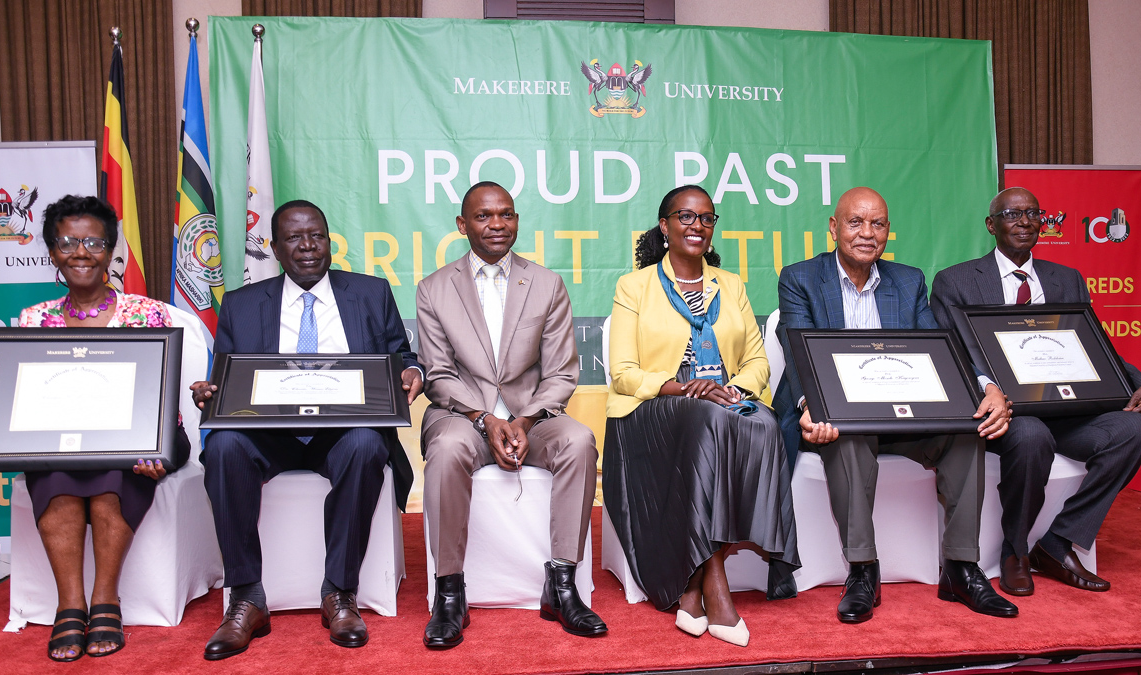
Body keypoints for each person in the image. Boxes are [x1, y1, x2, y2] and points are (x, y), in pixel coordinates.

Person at [189, 200, 422, 660]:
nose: (308, 246)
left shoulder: (371, 293)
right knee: (225, 447)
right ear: (275, 248)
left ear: (330, 241)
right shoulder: (241, 305)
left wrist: (413, 373)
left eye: (317, 235)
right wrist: (210, 392)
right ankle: (246, 597)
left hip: (339, 434)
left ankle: (339, 592)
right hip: (269, 436)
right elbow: (229, 379)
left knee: (365, 443)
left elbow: (402, 356)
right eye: (295, 238)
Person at [773, 186, 1018, 623]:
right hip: (836, 414)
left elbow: (941, 349)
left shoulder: (908, 281)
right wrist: (813, 404)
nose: (867, 233)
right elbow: (798, 352)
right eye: (855, 222)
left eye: (878, 224)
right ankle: (864, 571)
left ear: (888, 230)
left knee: (967, 431)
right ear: (833, 228)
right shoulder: (800, 279)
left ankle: (961, 568)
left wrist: (987, 387)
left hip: (906, 416)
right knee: (846, 433)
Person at [0, 195, 189, 662]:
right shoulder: (31, 321)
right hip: (56, 440)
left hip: (142, 439)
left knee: (110, 474)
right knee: (58, 474)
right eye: (68, 241)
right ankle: (71, 603)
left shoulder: (149, 314)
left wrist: (157, 449)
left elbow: (163, 409)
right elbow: (13, 401)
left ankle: (106, 599)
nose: (80, 251)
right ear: (51, 252)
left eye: (93, 241)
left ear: (111, 251)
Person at [930, 186, 1141, 596]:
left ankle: (1058, 541)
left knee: (1134, 431)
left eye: (1033, 214)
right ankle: (1015, 551)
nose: (1025, 222)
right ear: (991, 225)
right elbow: (955, 354)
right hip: (1007, 412)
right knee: (1033, 435)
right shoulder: (956, 281)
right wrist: (991, 391)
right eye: (1013, 214)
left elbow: (1095, 345)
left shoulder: (1065, 279)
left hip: (1069, 410)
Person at [603, 185, 800, 647]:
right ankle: (715, 584)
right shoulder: (635, 286)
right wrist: (685, 388)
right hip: (649, 412)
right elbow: (624, 375)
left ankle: (692, 586)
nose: (697, 226)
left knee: (766, 424)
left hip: (720, 403)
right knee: (707, 419)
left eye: (707, 218)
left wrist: (733, 388)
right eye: (685, 217)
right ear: (664, 226)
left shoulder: (729, 284)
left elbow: (757, 361)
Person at [415, 181, 606, 649]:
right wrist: (485, 419)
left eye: (507, 214)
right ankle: (450, 592)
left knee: (579, 440)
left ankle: (562, 584)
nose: (497, 224)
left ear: (517, 220)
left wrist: (525, 420)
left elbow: (561, 372)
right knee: (446, 446)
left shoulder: (546, 283)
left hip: (531, 420)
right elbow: (438, 375)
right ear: (462, 225)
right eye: (483, 216)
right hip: (462, 416)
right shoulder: (434, 289)